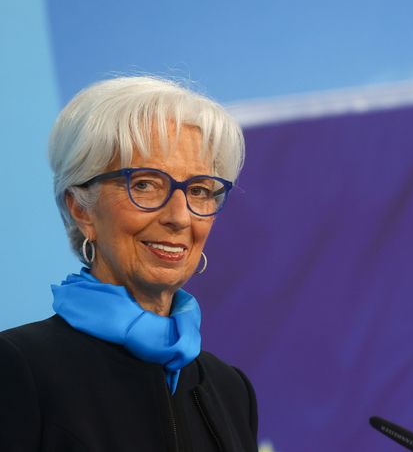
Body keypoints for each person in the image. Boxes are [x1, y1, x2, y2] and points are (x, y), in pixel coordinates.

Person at [0, 76, 257, 451]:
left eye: (199, 191)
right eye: (145, 184)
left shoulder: (230, 389)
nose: (180, 217)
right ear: (80, 209)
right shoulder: (18, 368)